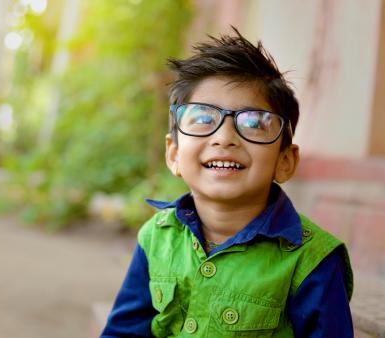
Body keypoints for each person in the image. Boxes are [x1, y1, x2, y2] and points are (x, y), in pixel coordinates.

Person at [101, 28, 353, 337]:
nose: (224, 137)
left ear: (285, 161)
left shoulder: (313, 262)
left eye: (254, 122)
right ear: (174, 154)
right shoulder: (156, 238)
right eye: (203, 118)